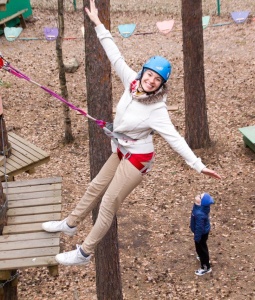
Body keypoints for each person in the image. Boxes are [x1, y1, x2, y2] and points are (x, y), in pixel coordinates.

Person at [42, 0, 222, 266]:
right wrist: (99, 24)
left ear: (161, 85)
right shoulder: (131, 81)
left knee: (108, 204)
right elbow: (114, 54)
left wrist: (198, 165)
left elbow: (174, 138)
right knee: (95, 187)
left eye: (157, 80)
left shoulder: (157, 108)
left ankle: (84, 253)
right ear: (143, 73)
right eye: (149, 75)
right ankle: (69, 224)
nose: (151, 81)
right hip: (122, 147)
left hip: (138, 158)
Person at [190, 192, 214, 276]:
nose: (197, 195)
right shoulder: (198, 207)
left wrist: (197, 237)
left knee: (201, 248)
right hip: (200, 233)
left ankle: (205, 267)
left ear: (201, 202)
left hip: (200, 234)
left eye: (200, 196)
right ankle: (201, 256)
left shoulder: (200, 214)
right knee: (201, 248)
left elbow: (199, 227)